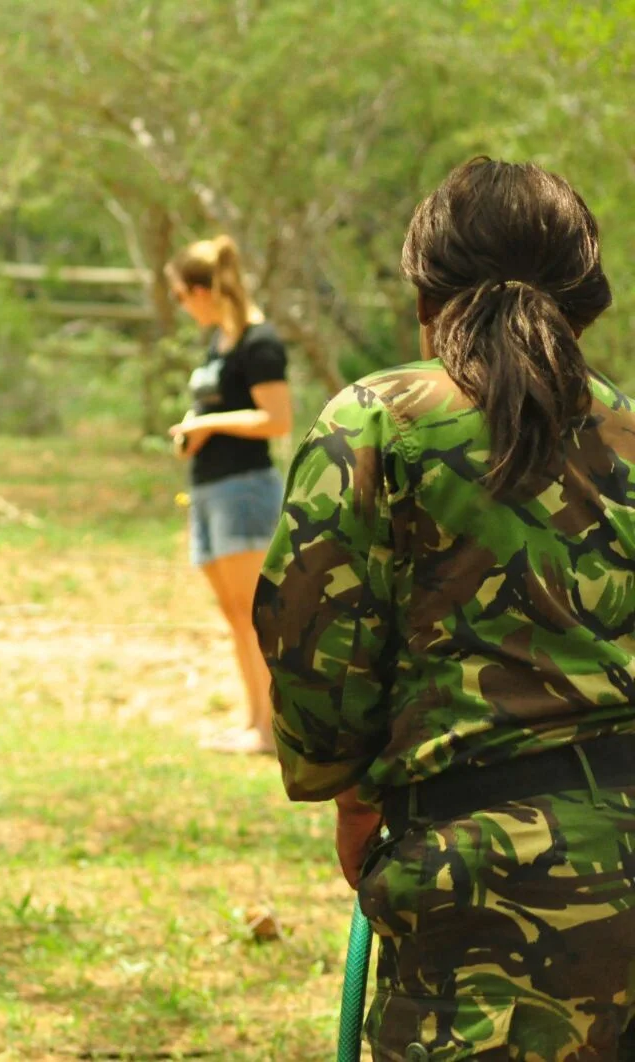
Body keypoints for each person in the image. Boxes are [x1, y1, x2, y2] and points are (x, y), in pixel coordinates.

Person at [255, 157, 635, 1060]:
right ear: (584, 304)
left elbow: (314, 651)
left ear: (427, 299)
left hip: (471, 881)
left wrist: (352, 800)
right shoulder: (630, 429)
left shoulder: (374, 421)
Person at [165, 235, 293, 754]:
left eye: (179, 295)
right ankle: (253, 720)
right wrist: (194, 430)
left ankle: (271, 729)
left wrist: (210, 424)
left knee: (255, 614)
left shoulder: (259, 343)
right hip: (208, 491)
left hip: (245, 492)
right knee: (234, 615)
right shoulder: (218, 342)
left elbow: (277, 420)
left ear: (202, 291)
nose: (180, 306)